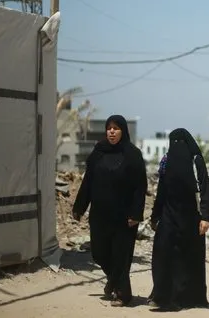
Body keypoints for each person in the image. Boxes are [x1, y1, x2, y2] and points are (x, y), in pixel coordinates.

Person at [72, 114, 147, 307]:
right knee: (99, 253)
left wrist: (136, 214)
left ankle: (123, 294)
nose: (111, 131)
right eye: (109, 128)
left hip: (124, 217)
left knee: (121, 256)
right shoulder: (99, 152)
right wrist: (79, 207)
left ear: (123, 131)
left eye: (116, 128)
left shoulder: (132, 154)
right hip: (100, 215)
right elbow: (88, 181)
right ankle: (114, 281)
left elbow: (140, 187)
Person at [148, 128, 209, 311]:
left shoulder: (196, 161)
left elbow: (205, 189)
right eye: (173, 142)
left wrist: (205, 217)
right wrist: (155, 216)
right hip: (168, 216)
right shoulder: (166, 162)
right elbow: (161, 191)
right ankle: (161, 295)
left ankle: (186, 297)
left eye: (180, 142)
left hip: (191, 216)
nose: (177, 147)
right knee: (162, 254)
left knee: (186, 258)